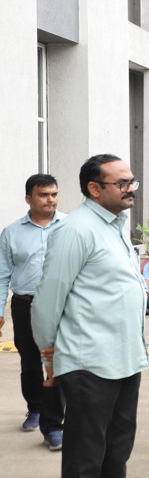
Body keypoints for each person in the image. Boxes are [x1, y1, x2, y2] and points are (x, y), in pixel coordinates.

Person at [32, 154, 149, 475]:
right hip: (90, 363)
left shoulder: (115, 225)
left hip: (126, 358)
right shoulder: (75, 230)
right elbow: (48, 299)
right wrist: (48, 356)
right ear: (95, 189)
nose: (131, 189)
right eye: (122, 183)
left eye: (132, 182)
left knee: (118, 450)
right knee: (85, 456)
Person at [0, 174, 66, 450]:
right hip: (24, 304)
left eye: (54, 194)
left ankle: (54, 422)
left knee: (58, 361)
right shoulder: (12, 232)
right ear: (29, 198)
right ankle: (35, 409)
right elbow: (2, 275)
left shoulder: (70, 226)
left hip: (62, 305)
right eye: (43, 195)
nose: (50, 200)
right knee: (30, 361)